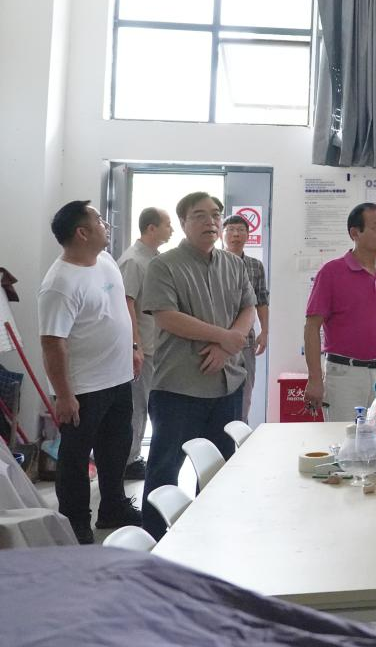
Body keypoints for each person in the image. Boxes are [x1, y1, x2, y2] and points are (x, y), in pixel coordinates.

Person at [140, 192, 256, 540]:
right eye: (199, 215)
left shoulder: (234, 264)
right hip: (179, 386)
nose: (211, 222)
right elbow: (166, 316)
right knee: (164, 469)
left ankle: (210, 537)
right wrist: (224, 337)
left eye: (216, 215)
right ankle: (156, 542)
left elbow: (248, 307)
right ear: (182, 222)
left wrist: (227, 344)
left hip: (227, 383)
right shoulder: (163, 265)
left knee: (219, 469)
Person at [37, 201, 143, 544]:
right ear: (82, 232)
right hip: (82, 388)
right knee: (75, 458)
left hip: (118, 377)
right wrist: (64, 395)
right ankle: (76, 524)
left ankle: (113, 507)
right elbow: (53, 344)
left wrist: (134, 347)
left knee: (116, 449)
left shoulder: (106, 260)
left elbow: (121, 307)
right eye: (99, 220)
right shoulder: (59, 284)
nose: (105, 224)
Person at [304, 203, 376, 420]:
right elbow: (312, 327)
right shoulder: (331, 272)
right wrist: (314, 378)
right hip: (345, 375)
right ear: (355, 233)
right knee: (345, 436)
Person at [116, 206, 173, 481]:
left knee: (148, 404)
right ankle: (128, 460)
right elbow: (126, 303)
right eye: (167, 224)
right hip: (143, 348)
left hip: (155, 346)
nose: (171, 230)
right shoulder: (134, 260)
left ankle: (134, 456)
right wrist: (135, 346)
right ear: (151, 228)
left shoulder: (154, 259)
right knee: (137, 405)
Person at [222, 214, 269, 421]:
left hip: (246, 341)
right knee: (219, 393)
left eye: (241, 230)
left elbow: (262, 300)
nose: (236, 234)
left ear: (248, 235)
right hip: (218, 340)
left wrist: (264, 332)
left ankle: (240, 435)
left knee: (245, 394)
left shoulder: (255, 266)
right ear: (222, 235)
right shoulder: (213, 262)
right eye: (231, 230)